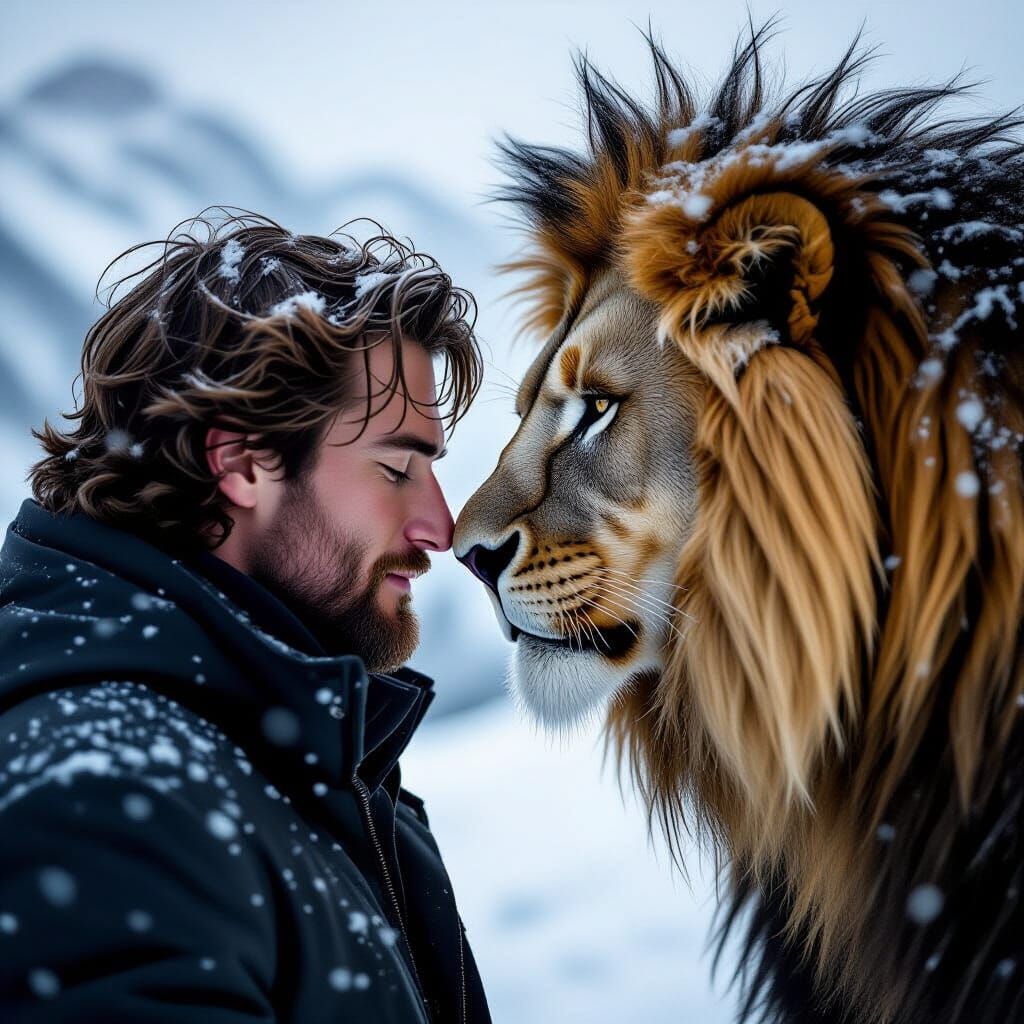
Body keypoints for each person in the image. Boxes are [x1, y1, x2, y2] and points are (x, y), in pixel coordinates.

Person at [0, 211, 491, 1023]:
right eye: (397, 468)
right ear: (243, 463)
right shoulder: (110, 801)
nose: (441, 528)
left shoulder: (288, 763)